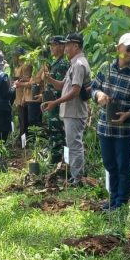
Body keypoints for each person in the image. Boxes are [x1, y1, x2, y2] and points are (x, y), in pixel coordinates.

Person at [91, 33, 130, 210]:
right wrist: (99, 95)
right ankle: (113, 197)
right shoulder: (105, 69)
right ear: (119, 49)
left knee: (123, 165)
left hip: (125, 130)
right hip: (104, 127)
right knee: (109, 164)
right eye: (129, 49)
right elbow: (93, 87)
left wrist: (128, 114)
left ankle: (121, 203)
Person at [42, 33, 91, 186]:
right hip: (70, 112)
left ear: (76, 46)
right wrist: (49, 79)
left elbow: (75, 91)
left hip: (74, 112)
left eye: (68, 45)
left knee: (75, 145)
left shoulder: (78, 64)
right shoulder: (73, 64)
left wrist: (55, 102)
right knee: (71, 144)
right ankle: (73, 175)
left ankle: (77, 179)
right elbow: (63, 85)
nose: (65, 49)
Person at [41, 36, 70, 163]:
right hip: (52, 105)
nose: (51, 47)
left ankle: (58, 161)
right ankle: (55, 159)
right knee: (53, 131)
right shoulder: (55, 64)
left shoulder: (63, 64)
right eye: (51, 45)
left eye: (54, 45)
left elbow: (62, 87)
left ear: (62, 46)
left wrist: (49, 79)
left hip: (58, 105)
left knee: (58, 133)